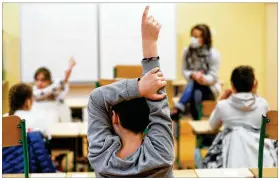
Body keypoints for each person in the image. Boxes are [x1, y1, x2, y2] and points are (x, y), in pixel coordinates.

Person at [87, 6, 174, 177]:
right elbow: (159, 102)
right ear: (149, 119)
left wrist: (139, 87)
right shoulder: (161, 154)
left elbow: (96, 99)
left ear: (115, 118)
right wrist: (150, 44)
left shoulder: (100, 157)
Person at [203, 65, 277, 168]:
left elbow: (212, 125)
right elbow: (270, 130)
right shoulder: (263, 104)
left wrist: (220, 100)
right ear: (253, 85)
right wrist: (255, 93)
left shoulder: (223, 106)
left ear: (232, 85)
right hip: (261, 160)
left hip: (232, 159)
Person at [171, 24, 221, 121]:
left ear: (205, 38)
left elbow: (213, 76)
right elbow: (184, 71)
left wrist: (202, 78)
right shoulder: (187, 51)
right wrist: (193, 75)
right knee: (196, 91)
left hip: (209, 88)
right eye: (192, 36)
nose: (193, 39)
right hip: (194, 87)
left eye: (196, 36)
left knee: (195, 85)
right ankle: (198, 124)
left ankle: (179, 107)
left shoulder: (214, 54)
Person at [3, 83, 56, 173]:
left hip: (6, 169)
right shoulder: (37, 119)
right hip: (32, 168)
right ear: (27, 102)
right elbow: (48, 140)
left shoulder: (4, 119)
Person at [32, 58, 76, 122]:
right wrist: (65, 78)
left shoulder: (57, 89)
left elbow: (62, 95)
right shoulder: (34, 90)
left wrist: (66, 78)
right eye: (37, 80)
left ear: (49, 81)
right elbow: (43, 93)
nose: (39, 83)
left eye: (43, 80)